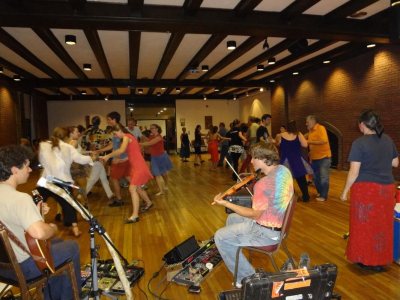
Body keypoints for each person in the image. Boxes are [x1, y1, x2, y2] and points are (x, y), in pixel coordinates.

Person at [0, 145, 81, 299]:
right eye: (26, 166)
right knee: (72, 246)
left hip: (4, 268)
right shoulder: (20, 199)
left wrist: (35, 214)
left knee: (56, 244)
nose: (30, 170)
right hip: (24, 268)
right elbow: (39, 233)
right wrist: (53, 227)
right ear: (14, 170)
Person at [213, 142, 294, 287]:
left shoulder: (263, 184)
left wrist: (226, 203)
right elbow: (270, 196)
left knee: (220, 237)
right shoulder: (283, 171)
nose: (250, 161)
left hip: (265, 233)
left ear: (263, 159)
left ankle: (248, 278)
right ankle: (237, 256)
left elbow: (254, 214)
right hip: (278, 225)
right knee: (232, 218)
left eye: (253, 158)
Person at [340, 110, 398, 271]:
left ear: (362, 125)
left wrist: (345, 191)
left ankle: (365, 260)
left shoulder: (359, 143)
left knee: (363, 226)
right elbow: (395, 163)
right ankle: (380, 260)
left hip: (366, 191)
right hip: (386, 190)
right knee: (383, 226)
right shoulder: (387, 139)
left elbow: (354, 172)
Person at [38, 127, 93, 237]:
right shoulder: (68, 147)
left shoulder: (43, 145)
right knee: (69, 205)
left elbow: (41, 160)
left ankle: (36, 225)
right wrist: (91, 158)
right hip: (62, 180)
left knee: (37, 202)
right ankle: (75, 229)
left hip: (46, 180)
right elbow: (81, 159)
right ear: (67, 136)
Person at [101, 123, 153, 224]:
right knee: (137, 187)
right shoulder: (130, 137)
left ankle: (135, 216)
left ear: (120, 130)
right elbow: (132, 153)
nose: (115, 136)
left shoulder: (126, 137)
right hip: (136, 166)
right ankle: (149, 203)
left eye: (116, 133)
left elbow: (121, 150)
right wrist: (120, 160)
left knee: (132, 189)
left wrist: (108, 156)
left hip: (139, 166)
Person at [276, 120, 311, 202]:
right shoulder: (298, 134)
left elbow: (277, 144)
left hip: (285, 160)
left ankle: (288, 197)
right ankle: (306, 197)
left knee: (286, 179)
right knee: (301, 179)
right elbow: (305, 145)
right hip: (296, 160)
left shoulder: (280, 135)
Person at [140, 124, 173, 196]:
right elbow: (147, 141)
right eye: (151, 128)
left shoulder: (159, 137)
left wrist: (138, 143)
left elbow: (149, 143)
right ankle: (161, 190)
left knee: (163, 173)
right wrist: (142, 142)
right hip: (154, 157)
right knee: (156, 174)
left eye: (153, 128)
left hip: (161, 157)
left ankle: (166, 185)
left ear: (157, 129)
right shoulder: (151, 136)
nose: (151, 129)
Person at [305, 115, 331, 202]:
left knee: (324, 177)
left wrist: (309, 141)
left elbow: (324, 140)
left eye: (307, 122)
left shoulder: (321, 128)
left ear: (312, 121)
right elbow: (305, 138)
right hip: (314, 158)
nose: (306, 124)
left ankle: (324, 196)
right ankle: (320, 192)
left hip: (324, 157)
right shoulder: (310, 131)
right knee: (316, 178)